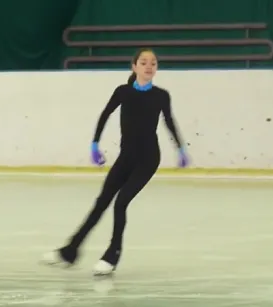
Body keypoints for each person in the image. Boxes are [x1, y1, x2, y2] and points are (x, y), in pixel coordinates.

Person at [43, 48, 189, 276]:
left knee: (120, 203)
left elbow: (169, 121)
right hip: (126, 158)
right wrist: (94, 144)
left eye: (153, 63)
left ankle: (112, 254)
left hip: (148, 160)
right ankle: (70, 250)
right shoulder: (123, 92)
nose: (149, 66)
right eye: (143, 62)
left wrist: (180, 148)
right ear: (134, 67)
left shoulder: (161, 95)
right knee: (101, 203)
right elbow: (105, 114)